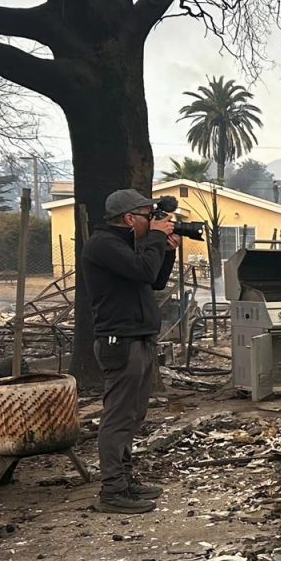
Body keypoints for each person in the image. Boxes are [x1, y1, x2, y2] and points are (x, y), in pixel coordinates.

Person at [80, 188, 178, 513]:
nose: (152, 222)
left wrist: (167, 250)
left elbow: (155, 280)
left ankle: (125, 481)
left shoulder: (126, 246)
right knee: (118, 418)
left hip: (139, 339)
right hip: (119, 342)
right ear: (129, 218)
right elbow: (143, 270)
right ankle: (112, 492)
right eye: (148, 217)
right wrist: (153, 240)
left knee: (133, 416)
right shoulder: (102, 244)